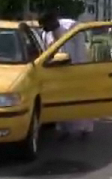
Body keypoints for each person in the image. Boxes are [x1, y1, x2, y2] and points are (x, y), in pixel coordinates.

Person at [40, 11, 94, 140]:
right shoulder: (46, 34)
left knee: (81, 101)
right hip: (58, 72)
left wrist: (81, 70)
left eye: (46, 25)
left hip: (76, 70)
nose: (46, 29)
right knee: (62, 102)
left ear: (53, 20)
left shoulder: (71, 27)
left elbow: (80, 50)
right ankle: (65, 130)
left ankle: (85, 129)